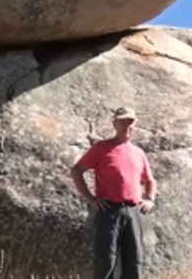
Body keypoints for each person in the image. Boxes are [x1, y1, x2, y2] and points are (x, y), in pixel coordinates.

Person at [70, 106, 157, 279]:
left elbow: (150, 180)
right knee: (106, 261)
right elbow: (76, 171)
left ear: (135, 125)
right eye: (122, 122)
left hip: (133, 211)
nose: (126, 126)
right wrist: (91, 199)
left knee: (134, 261)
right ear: (114, 124)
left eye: (130, 122)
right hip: (108, 211)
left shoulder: (138, 152)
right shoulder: (102, 148)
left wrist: (150, 199)